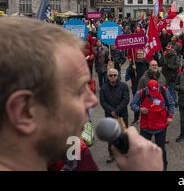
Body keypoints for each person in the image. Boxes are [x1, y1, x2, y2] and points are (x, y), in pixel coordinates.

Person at [0, 17, 163, 171]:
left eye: (88, 85)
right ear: (24, 111)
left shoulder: (71, 146)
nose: (93, 99)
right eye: (78, 91)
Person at [130, 80, 175, 171]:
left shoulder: (163, 90)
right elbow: (132, 104)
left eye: (155, 91)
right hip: (146, 126)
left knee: (161, 148)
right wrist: (139, 109)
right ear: (147, 88)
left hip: (161, 125)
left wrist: (170, 116)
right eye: (151, 92)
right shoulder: (141, 93)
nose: (153, 94)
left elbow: (171, 104)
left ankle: (163, 167)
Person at [100, 68, 130, 163]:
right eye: (110, 75)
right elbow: (103, 101)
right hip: (109, 115)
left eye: (114, 75)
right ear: (107, 76)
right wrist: (111, 111)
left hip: (122, 115)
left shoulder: (124, 86)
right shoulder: (103, 87)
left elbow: (126, 100)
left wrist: (116, 111)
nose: (113, 77)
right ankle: (111, 154)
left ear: (117, 76)